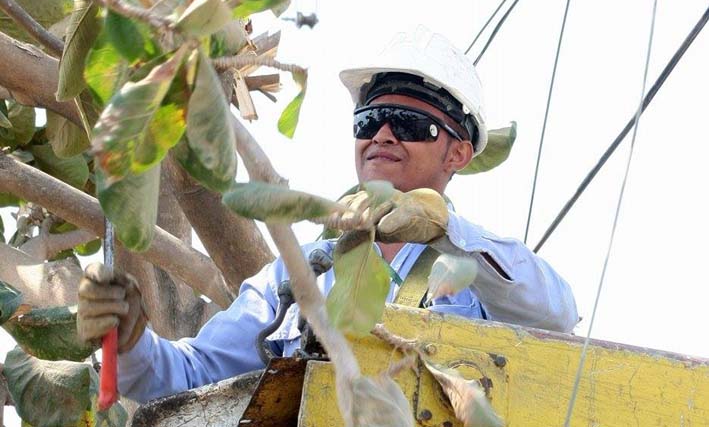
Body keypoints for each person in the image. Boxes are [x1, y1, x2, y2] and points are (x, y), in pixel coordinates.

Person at [77, 26, 578, 404]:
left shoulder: (485, 275)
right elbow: (186, 378)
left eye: (407, 122)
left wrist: (446, 232)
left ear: (459, 154)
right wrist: (132, 338)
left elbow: (556, 314)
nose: (382, 134)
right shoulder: (299, 275)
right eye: (369, 120)